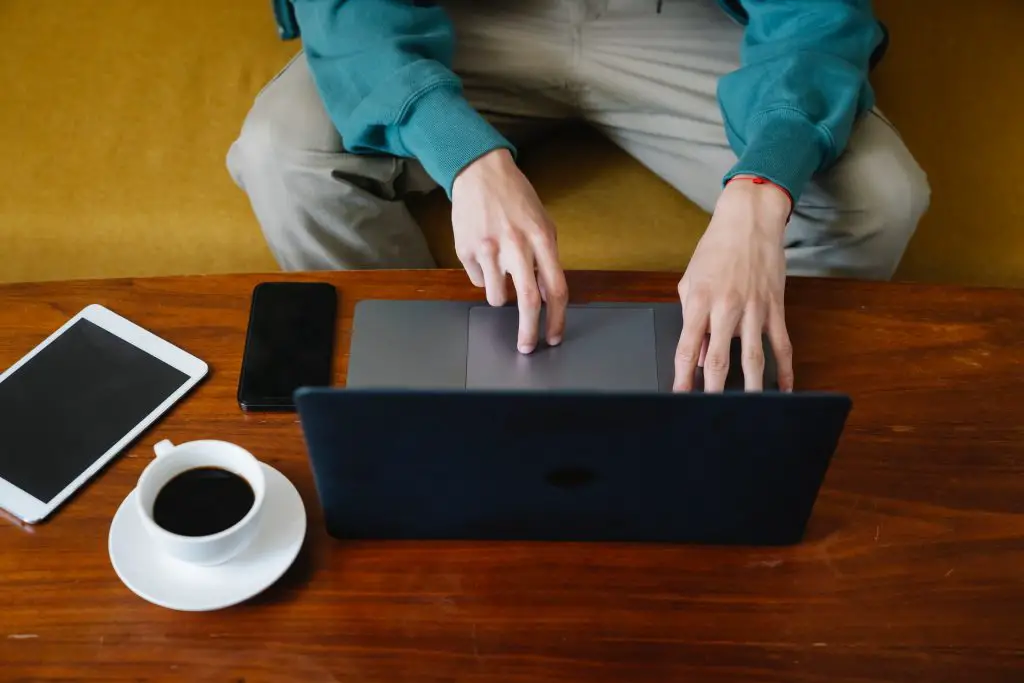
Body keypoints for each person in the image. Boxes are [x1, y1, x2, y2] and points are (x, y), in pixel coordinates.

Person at [228, 0, 930, 393]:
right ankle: (413, 400)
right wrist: (462, 153)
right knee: (283, 153)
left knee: (878, 196)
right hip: (463, 19)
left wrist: (761, 186)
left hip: (681, 21)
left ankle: (734, 407)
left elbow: (817, 14)